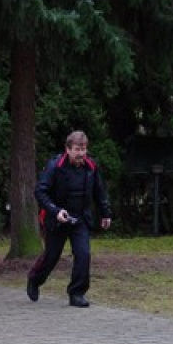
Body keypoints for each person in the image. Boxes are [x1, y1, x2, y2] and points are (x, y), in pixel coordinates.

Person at [27, 130, 112, 308]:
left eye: (84, 149)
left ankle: (77, 293)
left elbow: (99, 191)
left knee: (83, 254)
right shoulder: (54, 166)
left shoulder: (91, 166)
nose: (81, 154)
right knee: (51, 257)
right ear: (68, 149)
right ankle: (35, 279)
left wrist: (105, 213)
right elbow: (40, 192)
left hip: (80, 218)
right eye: (77, 149)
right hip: (58, 218)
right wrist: (55, 211)